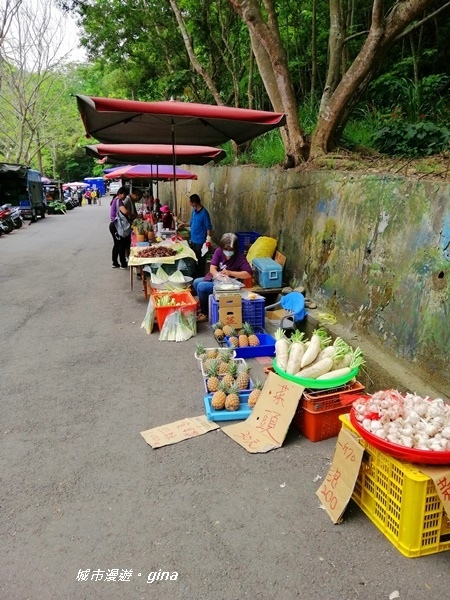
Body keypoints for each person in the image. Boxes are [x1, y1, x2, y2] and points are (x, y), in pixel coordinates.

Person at [193, 233, 252, 323]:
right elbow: (212, 267)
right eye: (226, 249)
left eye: (230, 249)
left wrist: (230, 273)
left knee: (202, 287)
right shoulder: (219, 251)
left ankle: (206, 313)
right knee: (196, 282)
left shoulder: (239, 257)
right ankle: (206, 305)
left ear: (235, 249)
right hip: (219, 280)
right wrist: (218, 275)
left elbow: (248, 273)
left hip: (230, 284)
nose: (228, 251)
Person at [189, 193, 212, 278]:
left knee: (201, 260)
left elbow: (208, 227)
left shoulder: (204, 213)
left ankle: (201, 277)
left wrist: (208, 240)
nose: (190, 204)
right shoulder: (194, 212)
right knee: (194, 258)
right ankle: (195, 275)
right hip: (193, 240)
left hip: (201, 241)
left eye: (191, 202)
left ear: (194, 203)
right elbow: (191, 223)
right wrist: (183, 224)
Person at [109, 187, 130, 269]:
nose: (125, 197)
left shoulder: (115, 200)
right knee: (121, 244)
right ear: (120, 193)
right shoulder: (119, 201)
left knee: (117, 244)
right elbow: (124, 211)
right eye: (124, 195)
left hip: (113, 225)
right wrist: (131, 214)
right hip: (117, 225)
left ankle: (115, 262)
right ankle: (123, 264)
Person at [123, 189, 141, 259]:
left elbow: (134, 211)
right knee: (127, 241)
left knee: (129, 240)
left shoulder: (131, 200)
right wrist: (132, 215)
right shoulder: (127, 200)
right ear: (135, 195)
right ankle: (126, 256)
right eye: (138, 198)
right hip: (126, 222)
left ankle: (128, 255)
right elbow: (124, 211)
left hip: (130, 221)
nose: (137, 200)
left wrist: (136, 215)